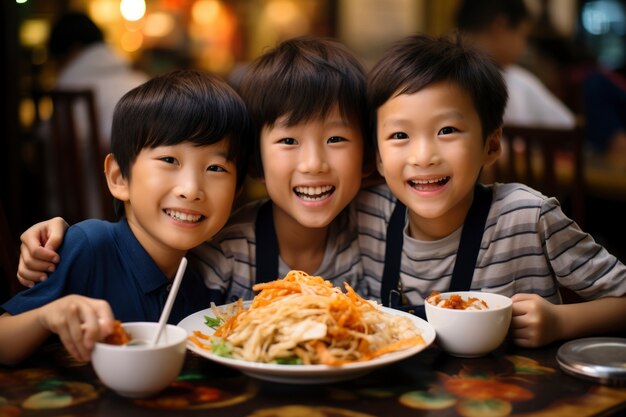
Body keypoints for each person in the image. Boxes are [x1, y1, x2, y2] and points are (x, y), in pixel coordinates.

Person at [16, 36, 372, 304]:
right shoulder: (212, 259)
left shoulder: (377, 218)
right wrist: (57, 256)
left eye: (337, 138)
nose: (191, 188)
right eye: (289, 141)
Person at [358, 33, 626, 348]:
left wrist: (560, 321)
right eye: (400, 134)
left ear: (491, 144)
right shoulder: (370, 215)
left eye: (447, 130)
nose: (423, 156)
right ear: (377, 154)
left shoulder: (527, 216)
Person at [0, 69, 250, 365]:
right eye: (169, 160)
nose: (192, 190)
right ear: (120, 178)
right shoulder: (88, 246)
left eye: (216, 168)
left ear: (237, 192)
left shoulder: (203, 282)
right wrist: (46, 316)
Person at [41, 12, 150, 219]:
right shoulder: (141, 82)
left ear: (72, 51)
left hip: (91, 215)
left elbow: (53, 147)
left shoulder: (69, 88)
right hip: (145, 211)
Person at [455, 0, 576, 129]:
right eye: (523, 36)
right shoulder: (516, 81)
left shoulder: (440, 76)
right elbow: (570, 127)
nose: (523, 47)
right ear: (500, 26)